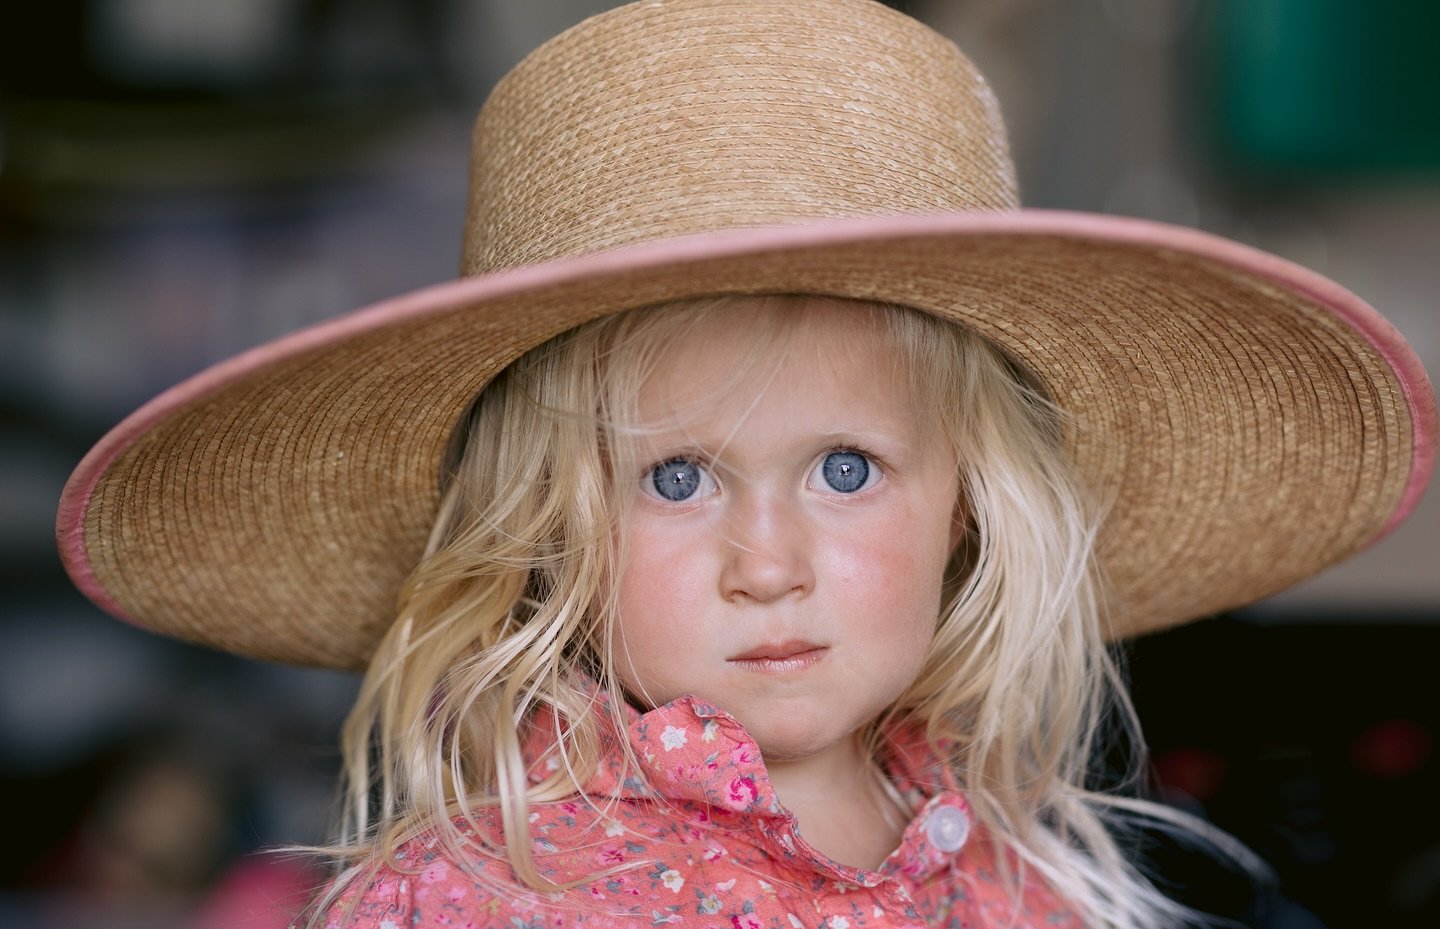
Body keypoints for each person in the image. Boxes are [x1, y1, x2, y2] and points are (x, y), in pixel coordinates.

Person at [55, 1, 1435, 928]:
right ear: (547, 530)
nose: (765, 563)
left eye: (846, 468)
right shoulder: (479, 895)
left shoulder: (1030, 880)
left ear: (967, 504)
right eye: (676, 479)